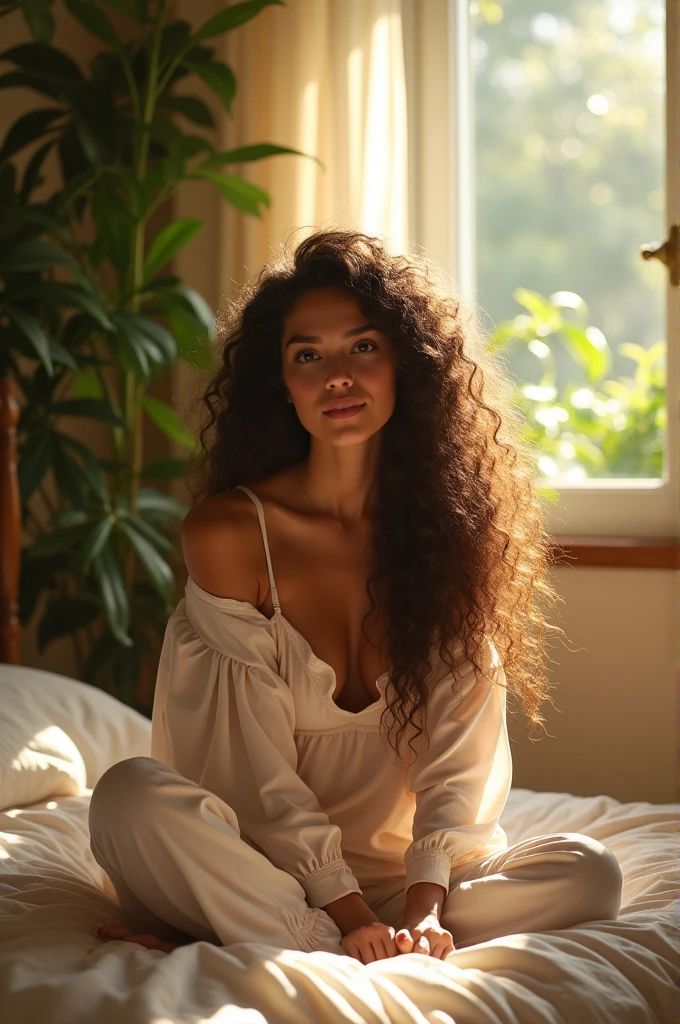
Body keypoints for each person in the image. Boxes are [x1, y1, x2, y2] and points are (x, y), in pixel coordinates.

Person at [89, 229, 622, 964]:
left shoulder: (449, 537)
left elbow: (457, 762)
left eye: (361, 347)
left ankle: (332, 940)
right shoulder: (232, 533)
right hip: (260, 870)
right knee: (128, 797)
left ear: (408, 362)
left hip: (404, 887)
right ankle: (323, 941)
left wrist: (426, 904)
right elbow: (252, 775)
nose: (337, 375)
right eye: (307, 355)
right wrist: (339, 912)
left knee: (591, 873)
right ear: (282, 383)